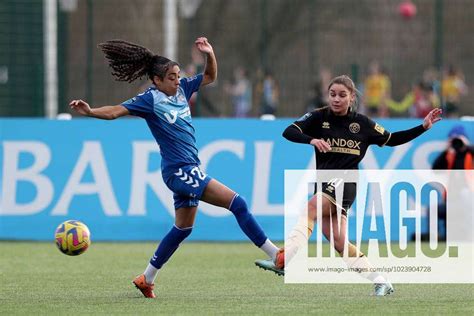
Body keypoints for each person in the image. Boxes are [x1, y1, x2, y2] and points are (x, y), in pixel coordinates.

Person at [70, 37, 279, 298]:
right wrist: (90, 111)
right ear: (157, 80)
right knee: (237, 203)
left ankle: (146, 278)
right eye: (171, 77)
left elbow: (210, 76)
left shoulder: (182, 90)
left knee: (183, 228)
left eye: (178, 75)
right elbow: (114, 111)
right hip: (179, 170)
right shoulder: (149, 99)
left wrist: (210, 53)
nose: (177, 80)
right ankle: (276, 256)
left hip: (188, 168)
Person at [255, 75, 442, 296]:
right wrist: (311, 139)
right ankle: (381, 281)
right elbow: (289, 131)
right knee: (339, 242)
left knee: (310, 209)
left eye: (342, 95)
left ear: (352, 97)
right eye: (332, 94)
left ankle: (283, 259)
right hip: (324, 184)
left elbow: (392, 139)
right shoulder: (318, 117)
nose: (336, 99)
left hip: (346, 180)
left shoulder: (362, 124)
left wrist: (423, 127)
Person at [424, 125, 473, 241]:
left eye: (458, 139)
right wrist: (447, 149)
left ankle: (471, 237)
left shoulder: (470, 153)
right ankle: (435, 239)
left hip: (470, 200)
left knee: (465, 193)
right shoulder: (449, 156)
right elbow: (435, 169)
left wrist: (466, 146)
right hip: (452, 200)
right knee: (432, 209)